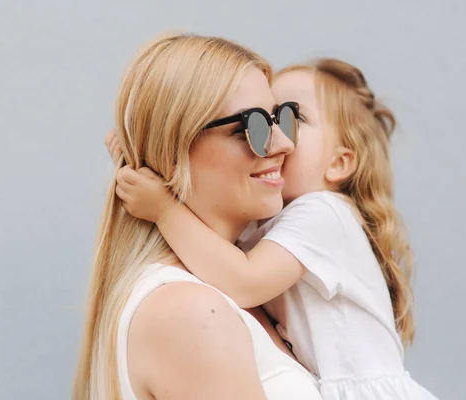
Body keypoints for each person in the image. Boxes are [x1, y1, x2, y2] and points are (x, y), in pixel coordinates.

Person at [110, 58, 438, 399]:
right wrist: (141, 154)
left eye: (290, 119)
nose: (278, 139)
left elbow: (244, 281)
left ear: (339, 163)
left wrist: (164, 210)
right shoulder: (271, 222)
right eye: (261, 122)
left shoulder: (323, 212)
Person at [74, 33, 323, 400]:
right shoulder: (190, 313)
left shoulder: (247, 293)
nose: (285, 144)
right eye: (250, 127)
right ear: (174, 148)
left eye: (280, 118)